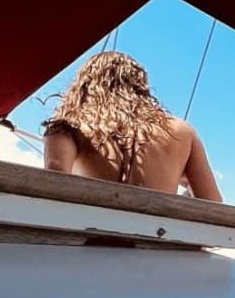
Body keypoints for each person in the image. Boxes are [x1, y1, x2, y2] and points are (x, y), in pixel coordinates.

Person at [42, 51, 222, 200]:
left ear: (84, 86)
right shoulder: (182, 130)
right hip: (159, 238)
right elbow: (213, 203)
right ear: (141, 86)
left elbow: (55, 179)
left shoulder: (69, 124)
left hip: (89, 235)